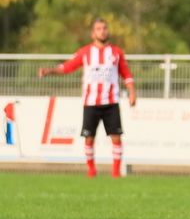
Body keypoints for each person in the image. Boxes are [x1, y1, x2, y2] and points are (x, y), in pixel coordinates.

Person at [38, 18, 136, 178]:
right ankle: (91, 171)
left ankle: (116, 173)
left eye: (104, 28)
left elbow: (126, 74)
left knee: (116, 137)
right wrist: (49, 71)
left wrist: (132, 93)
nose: (102, 31)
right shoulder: (85, 52)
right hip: (91, 102)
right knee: (89, 138)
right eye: (99, 29)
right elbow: (67, 67)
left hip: (111, 102)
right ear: (93, 33)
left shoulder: (116, 52)